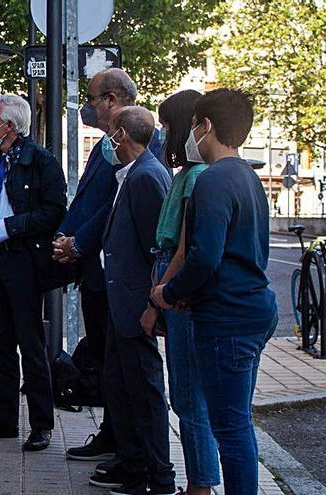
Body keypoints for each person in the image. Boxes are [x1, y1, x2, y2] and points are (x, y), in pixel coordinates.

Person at [152, 89, 278, 495]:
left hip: (227, 317)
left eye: (192, 127)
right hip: (253, 310)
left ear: (205, 126)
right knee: (235, 419)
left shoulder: (211, 180)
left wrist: (168, 293)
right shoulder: (248, 177)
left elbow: (204, 256)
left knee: (230, 425)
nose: (190, 136)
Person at [52, 68, 149, 465]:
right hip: (94, 273)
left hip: (118, 278)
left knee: (125, 370)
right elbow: (86, 200)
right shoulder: (105, 146)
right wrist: (66, 239)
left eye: (92, 100)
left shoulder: (140, 142)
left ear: (111, 100)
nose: (88, 109)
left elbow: (115, 209)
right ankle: (112, 438)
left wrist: (79, 242)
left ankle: (129, 451)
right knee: (108, 366)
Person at [0, 95, 67, 451]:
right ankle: (5, 416)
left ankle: (41, 423)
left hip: (23, 260)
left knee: (30, 342)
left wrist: (6, 227)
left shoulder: (40, 161)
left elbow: (54, 211)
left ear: (10, 125)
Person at [140, 90, 220, 495]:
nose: (167, 134)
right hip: (168, 276)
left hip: (176, 283)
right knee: (186, 397)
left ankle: (201, 485)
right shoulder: (184, 174)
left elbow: (186, 248)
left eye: (170, 126)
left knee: (190, 398)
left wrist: (160, 296)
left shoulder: (199, 177)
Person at [96, 107, 174, 495]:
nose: (106, 139)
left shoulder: (146, 177)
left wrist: (151, 306)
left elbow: (156, 249)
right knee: (120, 384)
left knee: (143, 392)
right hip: (120, 302)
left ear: (122, 135)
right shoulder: (132, 174)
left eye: (110, 131)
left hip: (134, 305)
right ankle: (133, 466)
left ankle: (157, 477)